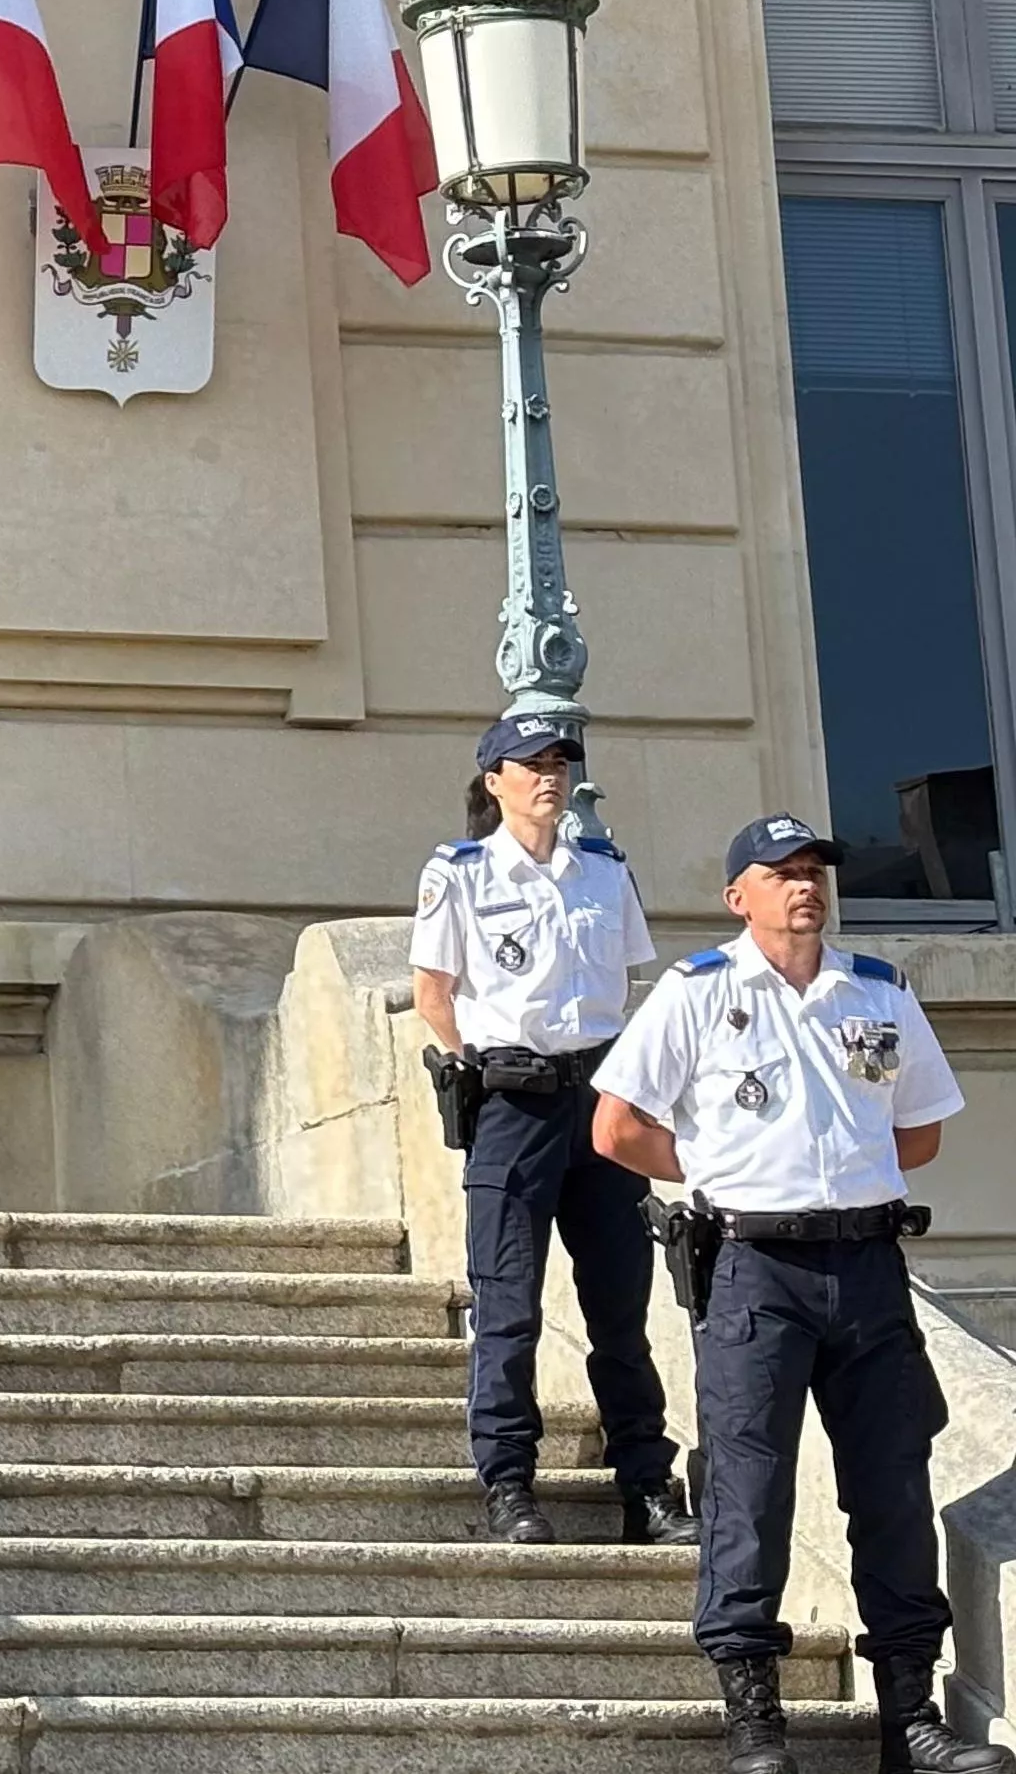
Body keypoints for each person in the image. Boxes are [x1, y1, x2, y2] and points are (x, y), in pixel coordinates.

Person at [594, 814, 1010, 1774]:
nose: (804, 885)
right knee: (751, 1486)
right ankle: (754, 1716)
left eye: (815, 868)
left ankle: (908, 1714)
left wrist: (843, 1185)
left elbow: (917, 1135)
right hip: (753, 1268)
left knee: (895, 1486)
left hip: (866, 1267)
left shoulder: (877, 992)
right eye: (780, 872)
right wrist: (717, 1172)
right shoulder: (698, 993)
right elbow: (616, 1129)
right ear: (739, 893)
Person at [409, 711, 687, 1547]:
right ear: (494, 781)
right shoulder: (459, 872)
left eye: (560, 761)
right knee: (508, 1303)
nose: (550, 775)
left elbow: (629, 987)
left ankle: (646, 1483)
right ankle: (508, 1482)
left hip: (600, 1102)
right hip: (515, 1103)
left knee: (621, 1306)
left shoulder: (603, 869)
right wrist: (479, 1071)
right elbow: (433, 993)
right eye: (530, 763)